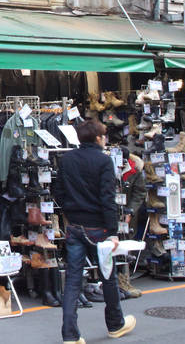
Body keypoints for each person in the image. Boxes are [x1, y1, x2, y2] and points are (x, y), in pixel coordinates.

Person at [55, 119, 136, 344]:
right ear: (98, 138)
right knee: (108, 276)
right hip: (99, 228)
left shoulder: (67, 159)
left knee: (72, 280)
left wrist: (70, 210)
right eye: (104, 135)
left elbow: (58, 190)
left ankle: (70, 334)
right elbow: (107, 198)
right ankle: (115, 323)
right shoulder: (103, 161)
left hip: (75, 226)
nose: (105, 139)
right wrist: (112, 230)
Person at [118, 147, 146, 298]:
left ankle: (124, 280)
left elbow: (140, 193)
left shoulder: (135, 171)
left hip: (127, 212)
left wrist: (130, 211)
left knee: (126, 244)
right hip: (111, 212)